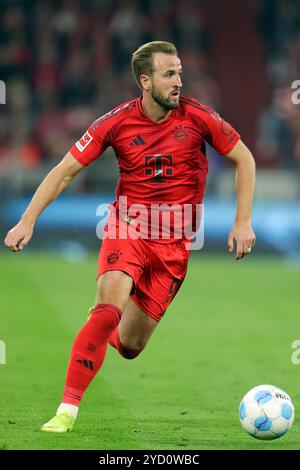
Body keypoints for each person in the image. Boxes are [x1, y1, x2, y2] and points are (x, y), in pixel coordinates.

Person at [4, 41, 256, 432]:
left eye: (180, 73)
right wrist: (28, 220)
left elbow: (245, 159)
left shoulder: (199, 117)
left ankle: (102, 333)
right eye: (169, 74)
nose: (178, 82)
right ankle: (67, 410)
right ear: (145, 80)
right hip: (129, 227)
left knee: (130, 346)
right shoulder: (114, 122)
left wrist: (243, 221)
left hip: (174, 246)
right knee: (107, 309)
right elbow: (64, 171)